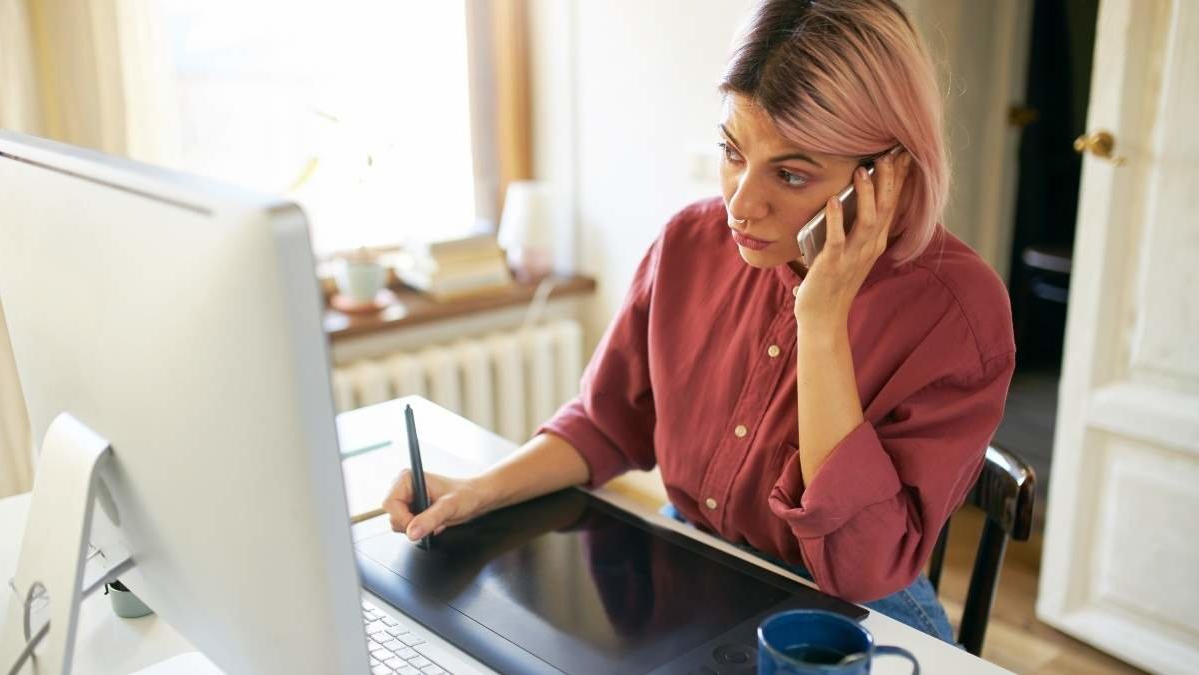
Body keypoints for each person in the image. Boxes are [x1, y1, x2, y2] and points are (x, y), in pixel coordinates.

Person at [383, 0, 1014, 644]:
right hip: (698, 561)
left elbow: (862, 568)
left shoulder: (958, 312)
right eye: (732, 151)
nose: (740, 205)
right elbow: (606, 422)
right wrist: (477, 492)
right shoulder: (689, 241)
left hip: (854, 612)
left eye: (791, 174)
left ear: (890, 172)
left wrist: (821, 322)